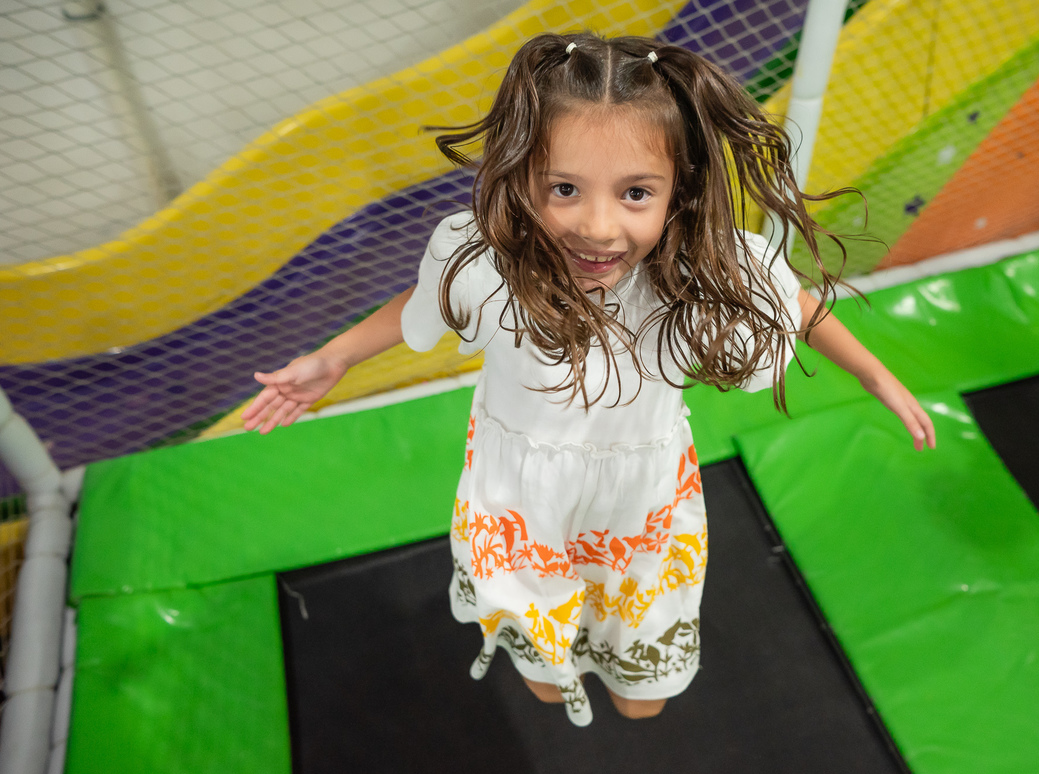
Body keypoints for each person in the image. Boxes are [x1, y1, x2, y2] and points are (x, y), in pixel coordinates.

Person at [241, 32, 937, 727]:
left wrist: (875, 375)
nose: (598, 227)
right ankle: (548, 646)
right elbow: (430, 302)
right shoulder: (491, 262)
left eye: (636, 192)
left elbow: (793, 301)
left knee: (643, 700)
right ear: (524, 177)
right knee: (546, 680)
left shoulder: (698, 267)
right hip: (520, 501)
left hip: (639, 507)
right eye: (565, 188)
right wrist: (335, 358)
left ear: (678, 191)